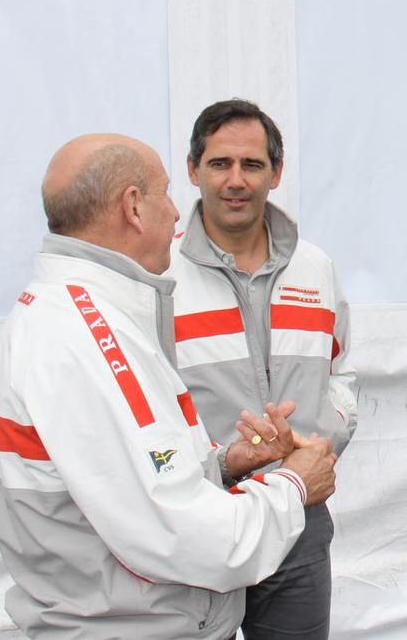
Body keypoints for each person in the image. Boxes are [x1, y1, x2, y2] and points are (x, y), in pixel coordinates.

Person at [0, 133, 338, 639]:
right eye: (165, 192)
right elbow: (188, 535)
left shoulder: (80, 314)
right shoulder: (89, 336)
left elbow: (120, 476)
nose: (175, 214)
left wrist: (222, 463)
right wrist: (296, 482)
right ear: (133, 206)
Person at [167, 99, 357, 639]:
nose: (235, 180)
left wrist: (325, 439)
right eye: (219, 164)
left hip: (298, 511)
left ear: (276, 172)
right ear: (192, 169)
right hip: (201, 515)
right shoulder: (161, 273)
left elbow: (342, 372)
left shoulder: (315, 267)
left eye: (252, 165)